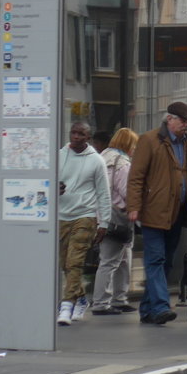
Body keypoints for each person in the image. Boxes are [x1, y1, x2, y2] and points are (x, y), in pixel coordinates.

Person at [127, 102, 187, 325]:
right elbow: (136, 176)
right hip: (154, 212)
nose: (185, 126)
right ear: (170, 119)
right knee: (156, 259)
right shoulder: (150, 140)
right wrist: (133, 207)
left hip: (177, 212)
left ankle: (147, 309)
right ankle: (160, 307)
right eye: (182, 121)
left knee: (167, 262)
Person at [56, 122, 111, 326]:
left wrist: (104, 222)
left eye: (82, 134)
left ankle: (66, 306)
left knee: (75, 262)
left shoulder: (96, 160)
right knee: (64, 264)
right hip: (61, 215)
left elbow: (103, 193)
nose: (77, 137)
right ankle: (80, 298)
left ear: (88, 138)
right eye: (74, 133)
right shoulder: (59, 155)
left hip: (85, 216)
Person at [91, 127, 138, 315]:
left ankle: (118, 299)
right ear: (127, 144)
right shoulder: (122, 164)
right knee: (111, 261)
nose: (135, 149)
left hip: (101, 214)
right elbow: (128, 192)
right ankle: (103, 302)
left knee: (120, 259)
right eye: (133, 145)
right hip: (118, 216)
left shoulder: (101, 159)